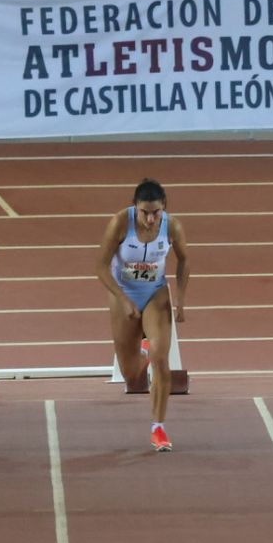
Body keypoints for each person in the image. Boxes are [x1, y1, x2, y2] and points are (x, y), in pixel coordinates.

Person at [95, 179, 191, 452]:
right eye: (144, 213)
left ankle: (158, 427)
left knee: (162, 360)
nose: (150, 219)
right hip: (123, 292)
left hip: (155, 292)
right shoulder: (119, 223)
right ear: (134, 208)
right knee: (131, 374)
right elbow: (100, 266)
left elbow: (184, 260)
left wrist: (180, 298)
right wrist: (123, 301)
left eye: (156, 213)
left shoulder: (172, 227)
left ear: (164, 208)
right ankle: (143, 352)